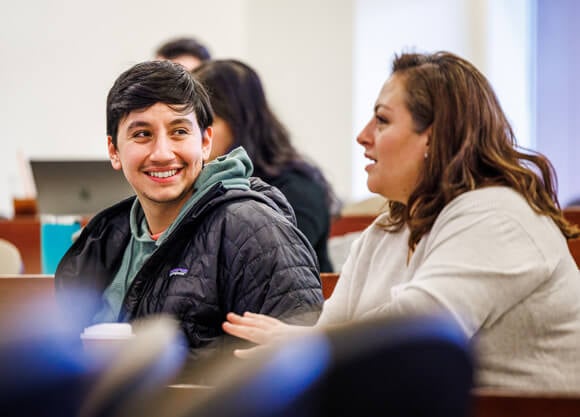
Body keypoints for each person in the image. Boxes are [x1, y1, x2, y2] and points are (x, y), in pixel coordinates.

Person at [222, 51, 580, 391]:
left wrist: (303, 343)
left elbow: (416, 333)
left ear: (435, 135)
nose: (363, 136)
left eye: (382, 120)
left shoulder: (499, 216)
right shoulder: (387, 230)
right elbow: (331, 331)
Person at [55, 60, 324, 361]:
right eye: (142, 134)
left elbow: (297, 369)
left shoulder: (253, 229)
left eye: (179, 131)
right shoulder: (104, 239)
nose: (161, 153)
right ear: (114, 151)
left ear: (206, 142)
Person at [193, 59, 340, 272]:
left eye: (206, 122)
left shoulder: (298, 190)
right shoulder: (199, 184)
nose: (196, 135)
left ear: (239, 122)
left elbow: (264, 272)